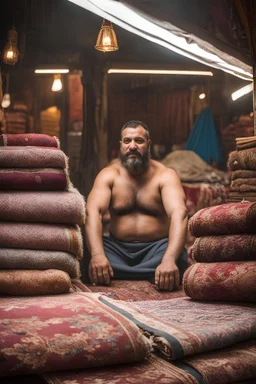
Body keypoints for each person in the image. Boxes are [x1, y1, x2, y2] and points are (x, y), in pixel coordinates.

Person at [85, 120, 188, 291]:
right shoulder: (109, 175)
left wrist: (169, 259)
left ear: (148, 144)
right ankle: (144, 272)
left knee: (178, 257)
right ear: (121, 145)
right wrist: (97, 255)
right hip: (116, 250)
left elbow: (180, 214)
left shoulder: (165, 176)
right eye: (127, 141)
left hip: (156, 250)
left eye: (138, 141)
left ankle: (162, 268)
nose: (132, 146)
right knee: (87, 253)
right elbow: (92, 212)